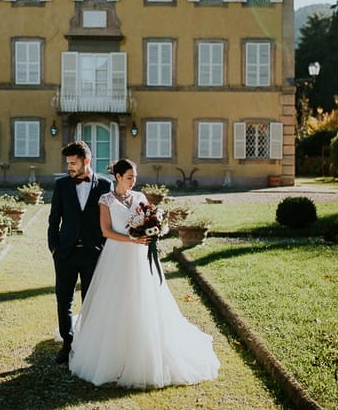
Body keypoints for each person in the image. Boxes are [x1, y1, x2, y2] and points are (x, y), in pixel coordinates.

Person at [68, 158, 220, 388]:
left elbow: (150, 219)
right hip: (117, 255)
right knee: (116, 301)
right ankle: (113, 354)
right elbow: (106, 231)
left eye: (135, 178)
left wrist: (153, 230)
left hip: (140, 256)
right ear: (118, 177)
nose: (133, 181)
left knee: (144, 299)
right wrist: (131, 238)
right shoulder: (106, 200)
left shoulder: (139, 197)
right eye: (129, 177)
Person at [47, 141, 112, 364]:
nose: (69, 167)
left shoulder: (105, 185)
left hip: (93, 254)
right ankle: (68, 343)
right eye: (68, 163)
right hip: (65, 253)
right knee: (63, 300)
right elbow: (53, 220)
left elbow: (110, 220)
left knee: (91, 301)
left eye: (73, 163)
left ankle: (89, 344)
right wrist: (54, 248)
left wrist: (103, 248)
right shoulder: (62, 185)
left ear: (87, 161)